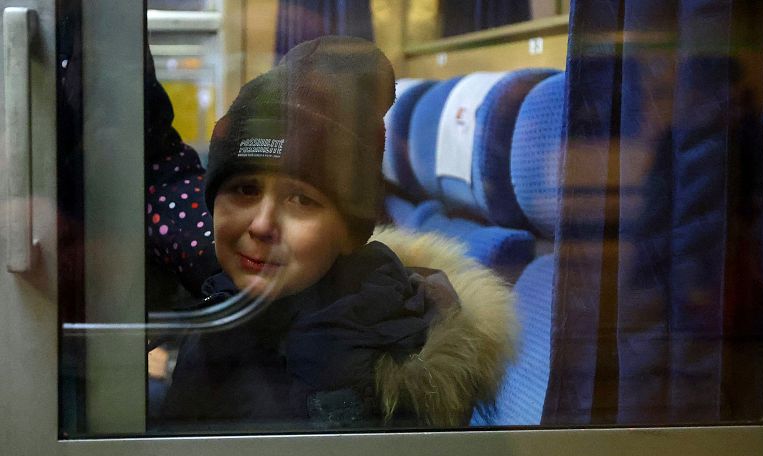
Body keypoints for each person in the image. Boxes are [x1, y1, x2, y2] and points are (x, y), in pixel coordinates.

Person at [157, 36, 517, 430]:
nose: (261, 225)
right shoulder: (231, 305)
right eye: (245, 189)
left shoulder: (361, 362)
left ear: (349, 232)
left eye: (300, 200)